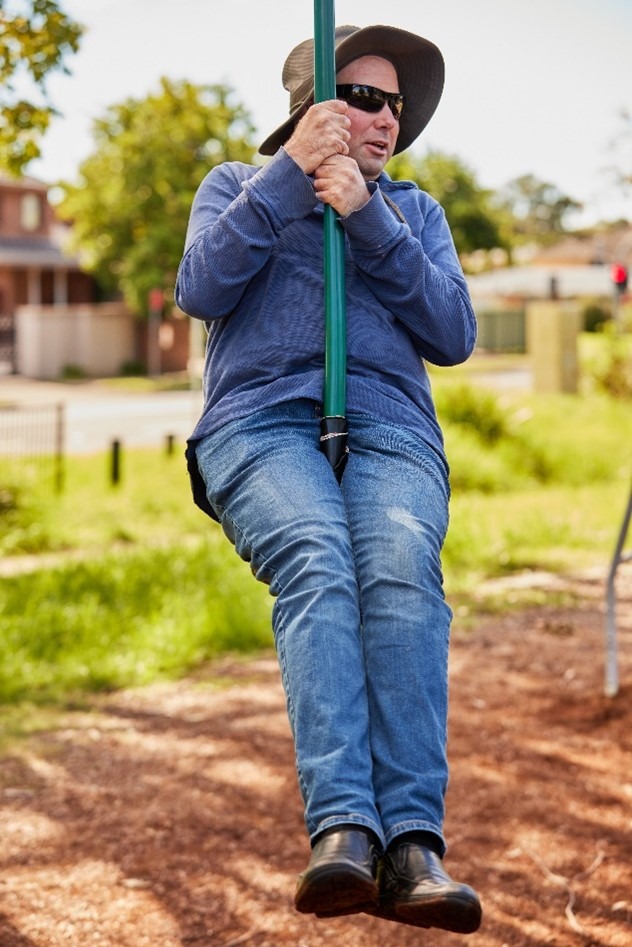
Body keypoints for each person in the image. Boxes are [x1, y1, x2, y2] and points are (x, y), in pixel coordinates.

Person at [176, 23, 482, 935]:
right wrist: (286, 184)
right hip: (259, 424)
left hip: (389, 430)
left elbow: (454, 333)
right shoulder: (235, 186)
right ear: (310, 105)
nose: (388, 118)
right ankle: (344, 829)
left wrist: (369, 218)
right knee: (317, 554)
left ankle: (414, 848)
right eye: (364, 97)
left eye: (397, 105)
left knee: (396, 572)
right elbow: (200, 287)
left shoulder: (416, 212)